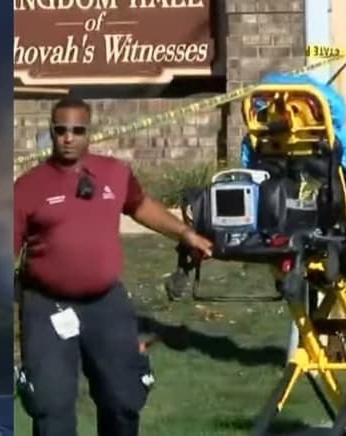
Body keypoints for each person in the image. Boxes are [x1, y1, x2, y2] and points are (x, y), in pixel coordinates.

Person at [13, 96, 213, 436]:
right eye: (61, 130)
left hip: (106, 304)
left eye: (77, 130)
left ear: (89, 133)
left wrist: (183, 233)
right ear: (51, 131)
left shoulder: (113, 174)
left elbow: (140, 205)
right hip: (47, 306)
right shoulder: (28, 187)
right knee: (51, 409)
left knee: (123, 400)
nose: (68, 137)